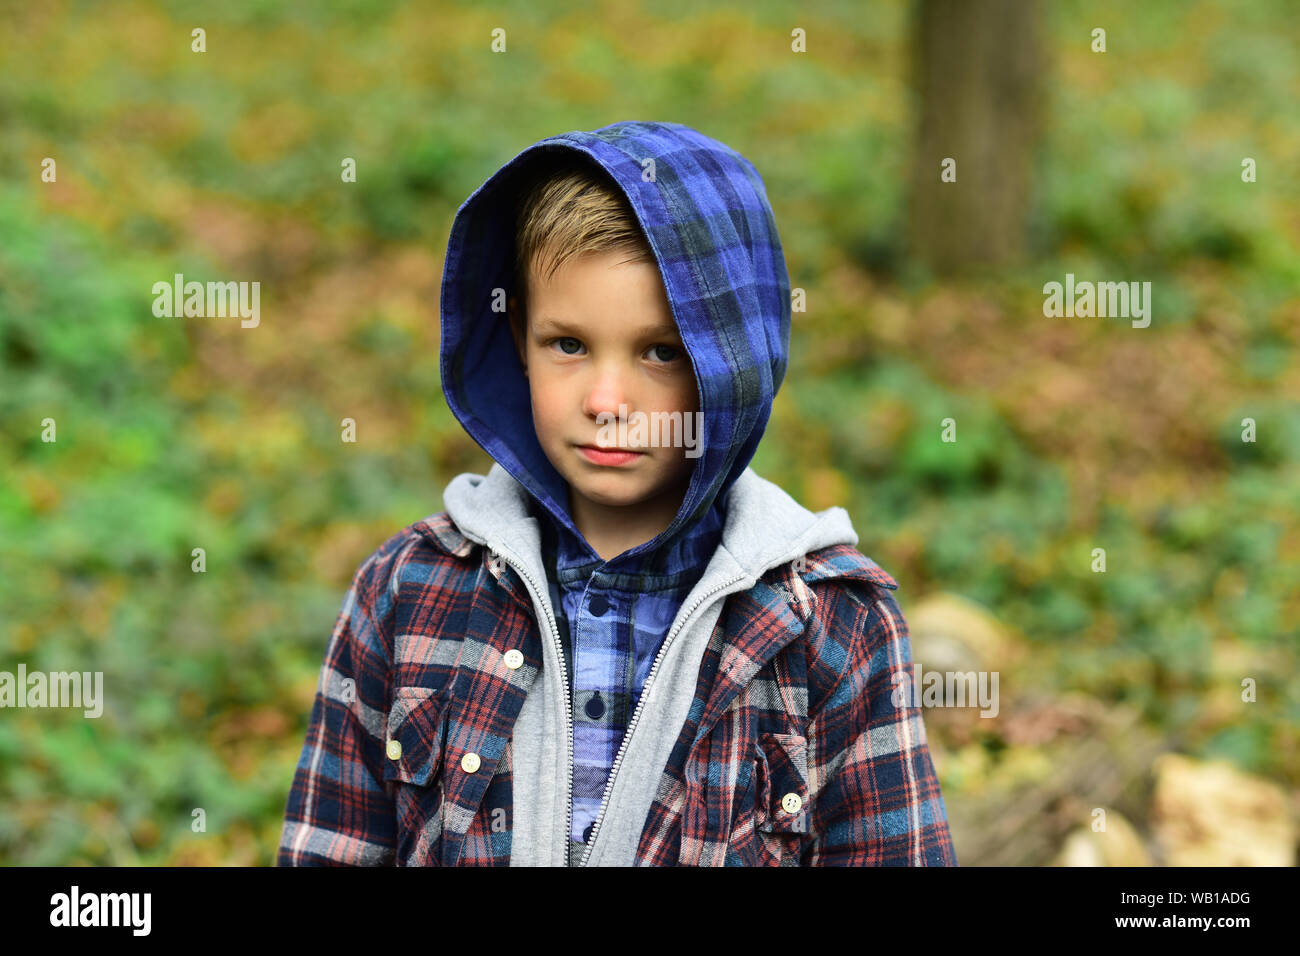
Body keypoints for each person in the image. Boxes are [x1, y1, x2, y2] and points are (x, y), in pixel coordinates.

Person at [278, 120, 956, 866]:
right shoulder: (407, 593)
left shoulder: (834, 628)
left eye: (660, 352)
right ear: (519, 347)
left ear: (734, 366)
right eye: (568, 345)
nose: (607, 399)